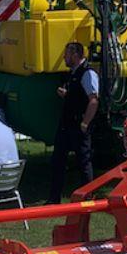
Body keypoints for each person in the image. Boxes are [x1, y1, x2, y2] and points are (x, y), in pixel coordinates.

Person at [48, 42, 99, 203]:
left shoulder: (87, 73)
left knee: (84, 161)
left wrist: (85, 123)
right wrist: (67, 95)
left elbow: (93, 101)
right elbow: (76, 96)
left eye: (67, 54)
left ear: (75, 55)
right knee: (58, 160)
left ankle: (88, 197)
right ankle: (54, 198)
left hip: (78, 126)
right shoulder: (73, 73)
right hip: (66, 124)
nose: (64, 57)